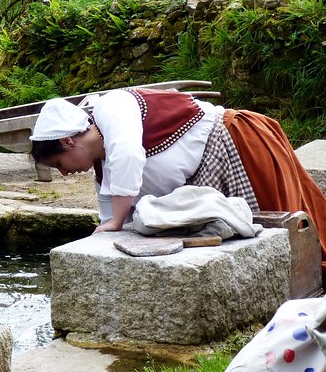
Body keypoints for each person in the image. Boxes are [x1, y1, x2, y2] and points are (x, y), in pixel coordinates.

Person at [29, 87, 326, 267]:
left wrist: (117, 221)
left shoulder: (112, 106)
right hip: (210, 181)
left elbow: (129, 155)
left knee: (291, 241)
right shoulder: (104, 169)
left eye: (59, 164)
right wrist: (110, 230)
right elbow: (110, 223)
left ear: (68, 141)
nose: (66, 173)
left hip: (241, 147)